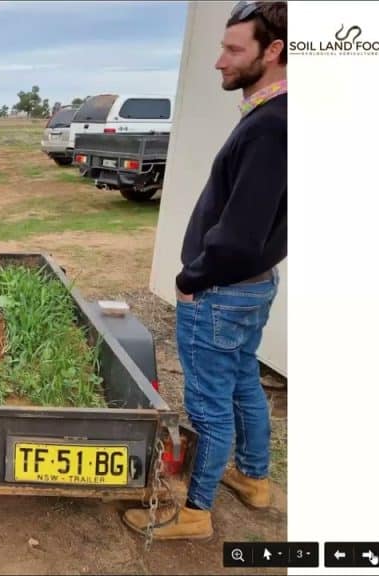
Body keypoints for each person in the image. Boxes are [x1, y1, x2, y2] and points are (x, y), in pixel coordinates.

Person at [123, 1, 287, 540]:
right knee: (243, 382)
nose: (219, 61)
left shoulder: (269, 127)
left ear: (274, 52)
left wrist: (191, 280)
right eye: (220, 47)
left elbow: (238, 237)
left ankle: (194, 513)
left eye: (233, 49)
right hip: (254, 287)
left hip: (221, 290)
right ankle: (255, 479)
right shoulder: (283, 116)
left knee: (210, 407)